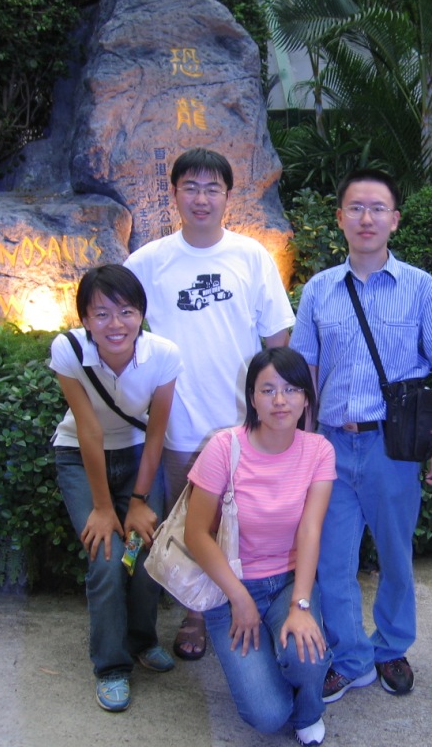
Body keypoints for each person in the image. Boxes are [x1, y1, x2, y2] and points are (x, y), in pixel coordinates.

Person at [290, 169, 432, 702]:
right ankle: (350, 658)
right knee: (331, 561)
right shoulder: (319, 290)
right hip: (330, 446)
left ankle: (390, 648)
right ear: (340, 218)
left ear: (395, 219)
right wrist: (301, 445)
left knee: (395, 554)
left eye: (378, 208)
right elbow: (304, 372)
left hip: (393, 446)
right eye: (356, 208)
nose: (367, 218)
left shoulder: (420, 287)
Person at [125, 147, 295, 661]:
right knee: (189, 526)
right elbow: (115, 319)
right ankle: (195, 615)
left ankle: (252, 605)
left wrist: (273, 409)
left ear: (227, 196)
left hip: (242, 424)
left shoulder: (250, 256)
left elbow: (277, 337)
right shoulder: (149, 262)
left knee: (250, 522)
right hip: (182, 424)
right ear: (174, 194)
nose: (201, 198)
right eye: (191, 188)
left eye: (212, 189)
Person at [184, 347, 335, 746]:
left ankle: (309, 707)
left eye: (291, 389)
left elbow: (310, 530)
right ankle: (272, 670)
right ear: (252, 397)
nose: (280, 400)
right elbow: (195, 534)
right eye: (268, 390)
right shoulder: (224, 447)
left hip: (288, 582)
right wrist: (239, 598)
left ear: (306, 397)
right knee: (268, 715)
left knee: (307, 658)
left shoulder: (318, 450)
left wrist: (301, 605)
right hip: (229, 587)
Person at [50, 264, 183, 711]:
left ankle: (142, 640)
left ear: (141, 314)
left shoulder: (164, 355)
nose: (115, 324)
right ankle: (110, 666)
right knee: (107, 556)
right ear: (85, 319)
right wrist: (104, 508)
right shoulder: (68, 350)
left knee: (143, 550)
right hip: (80, 457)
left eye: (126, 311)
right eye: (101, 313)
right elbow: (89, 431)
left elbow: (157, 434)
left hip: (139, 457)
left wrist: (139, 501)